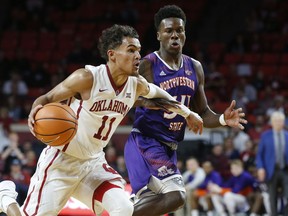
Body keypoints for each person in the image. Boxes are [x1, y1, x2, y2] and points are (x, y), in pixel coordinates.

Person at [0, 24, 204, 216]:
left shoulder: (136, 85)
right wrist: (35, 113)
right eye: (131, 50)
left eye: (138, 51)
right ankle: (5, 196)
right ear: (112, 55)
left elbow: (161, 96)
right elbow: (46, 99)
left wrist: (189, 113)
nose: (137, 56)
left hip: (93, 163)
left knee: (124, 208)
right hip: (61, 161)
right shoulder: (87, 78)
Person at [124, 5, 247, 216]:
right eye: (168, 31)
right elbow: (131, 100)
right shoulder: (147, 64)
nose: (174, 35)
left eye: (179, 30)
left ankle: (120, 210)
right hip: (146, 142)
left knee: (154, 204)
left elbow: (203, 113)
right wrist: (172, 107)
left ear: (185, 33)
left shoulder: (195, 67)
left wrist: (223, 120)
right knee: (177, 195)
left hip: (169, 148)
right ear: (158, 35)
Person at [256, 111, 288, 215]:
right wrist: (260, 168)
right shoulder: (265, 136)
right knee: (272, 197)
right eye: (276, 121)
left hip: (285, 170)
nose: (279, 123)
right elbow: (259, 155)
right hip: (271, 170)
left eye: (280, 121)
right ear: (272, 122)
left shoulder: (287, 135)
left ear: (283, 122)